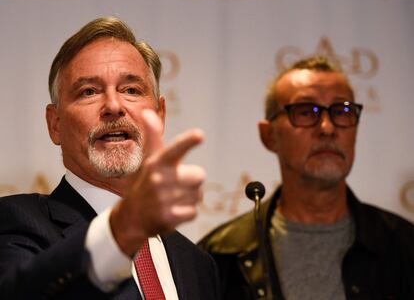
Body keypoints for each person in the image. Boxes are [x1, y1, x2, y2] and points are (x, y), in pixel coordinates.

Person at [0, 17, 220, 300]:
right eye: (88, 91)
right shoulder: (15, 223)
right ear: (55, 124)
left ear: (160, 114)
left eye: (131, 90)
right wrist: (123, 228)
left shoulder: (198, 264)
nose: (114, 107)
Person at [198, 56, 414, 299]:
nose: (327, 128)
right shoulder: (220, 256)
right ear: (269, 135)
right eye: (305, 111)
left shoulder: (404, 245)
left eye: (342, 111)